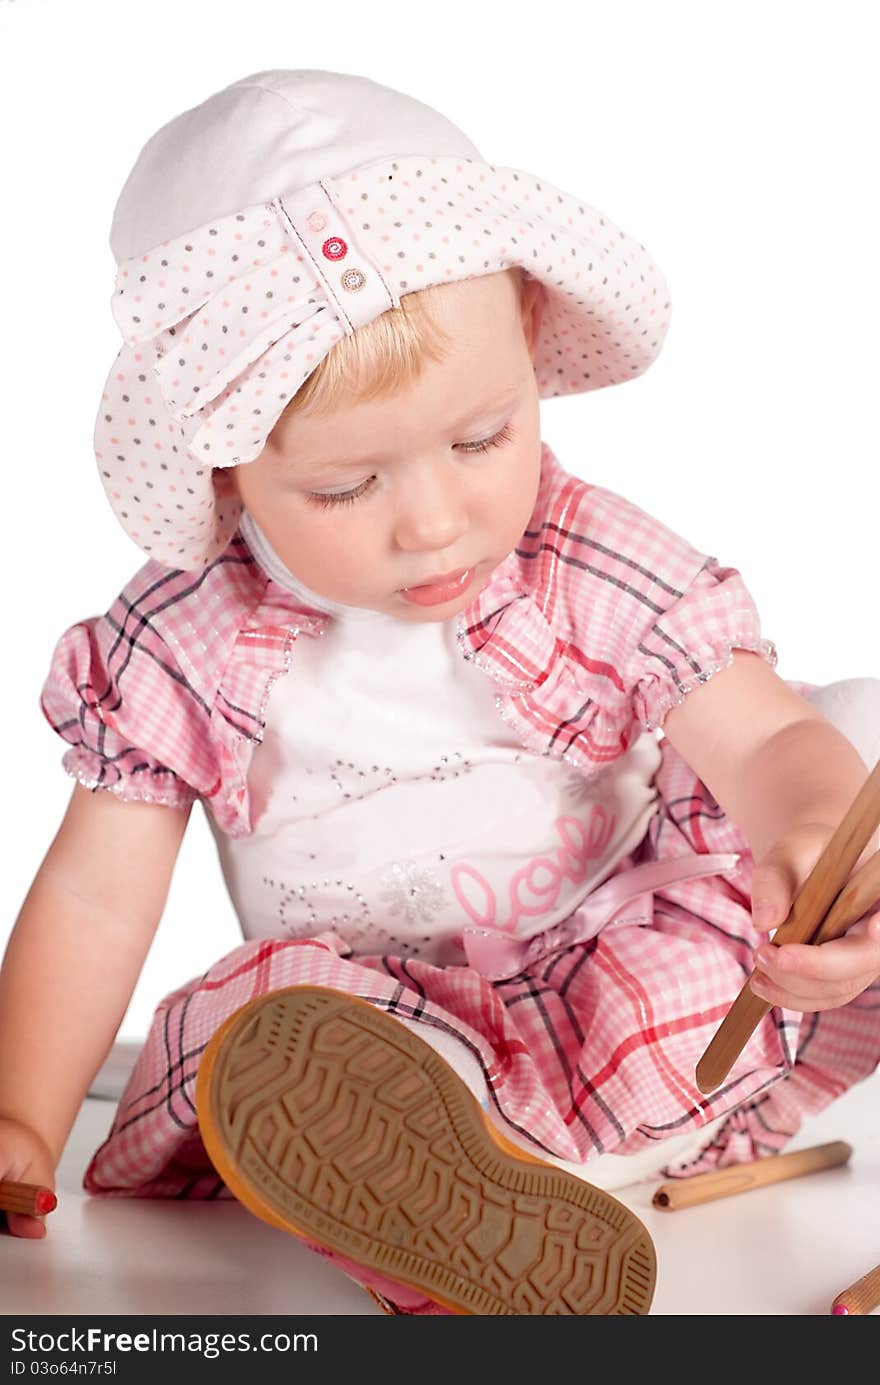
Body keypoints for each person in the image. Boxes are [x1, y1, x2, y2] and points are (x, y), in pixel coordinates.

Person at [1, 68, 879, 1315]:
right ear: (227, 465)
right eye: (346, 489)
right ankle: (468, 1195)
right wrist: (21, 1113)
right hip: (396, 1042)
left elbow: (763, 730)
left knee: (857, 734)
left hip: (630, 983)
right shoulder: (185, 640)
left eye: (480, 439)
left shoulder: (585, 558)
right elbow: (94, 893)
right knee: (278, 1022)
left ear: (528, 337)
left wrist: (806, 832)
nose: (434, 523)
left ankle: (599, 1151)